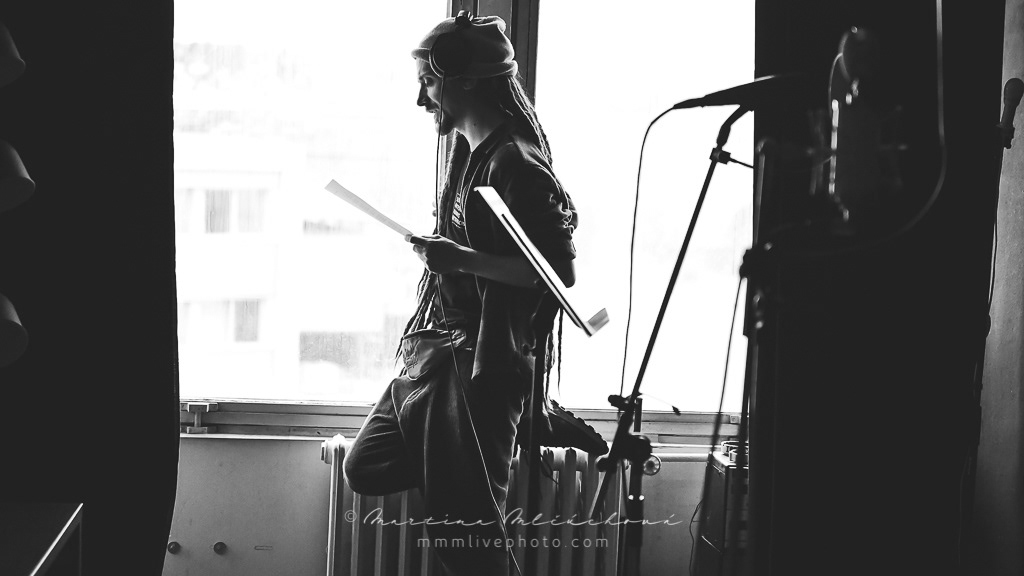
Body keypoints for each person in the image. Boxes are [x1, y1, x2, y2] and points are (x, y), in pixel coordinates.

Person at [343, 12, 581, 575]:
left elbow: (558, 274)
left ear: (466, 79)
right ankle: (503, 439)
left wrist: (460, 259)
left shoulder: (516, 162)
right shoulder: (464, 149)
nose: (421, 99)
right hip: (439, 354)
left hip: (483, 368)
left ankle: (509, 429)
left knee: (468, 547)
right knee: (364, 464)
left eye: (428, 81)